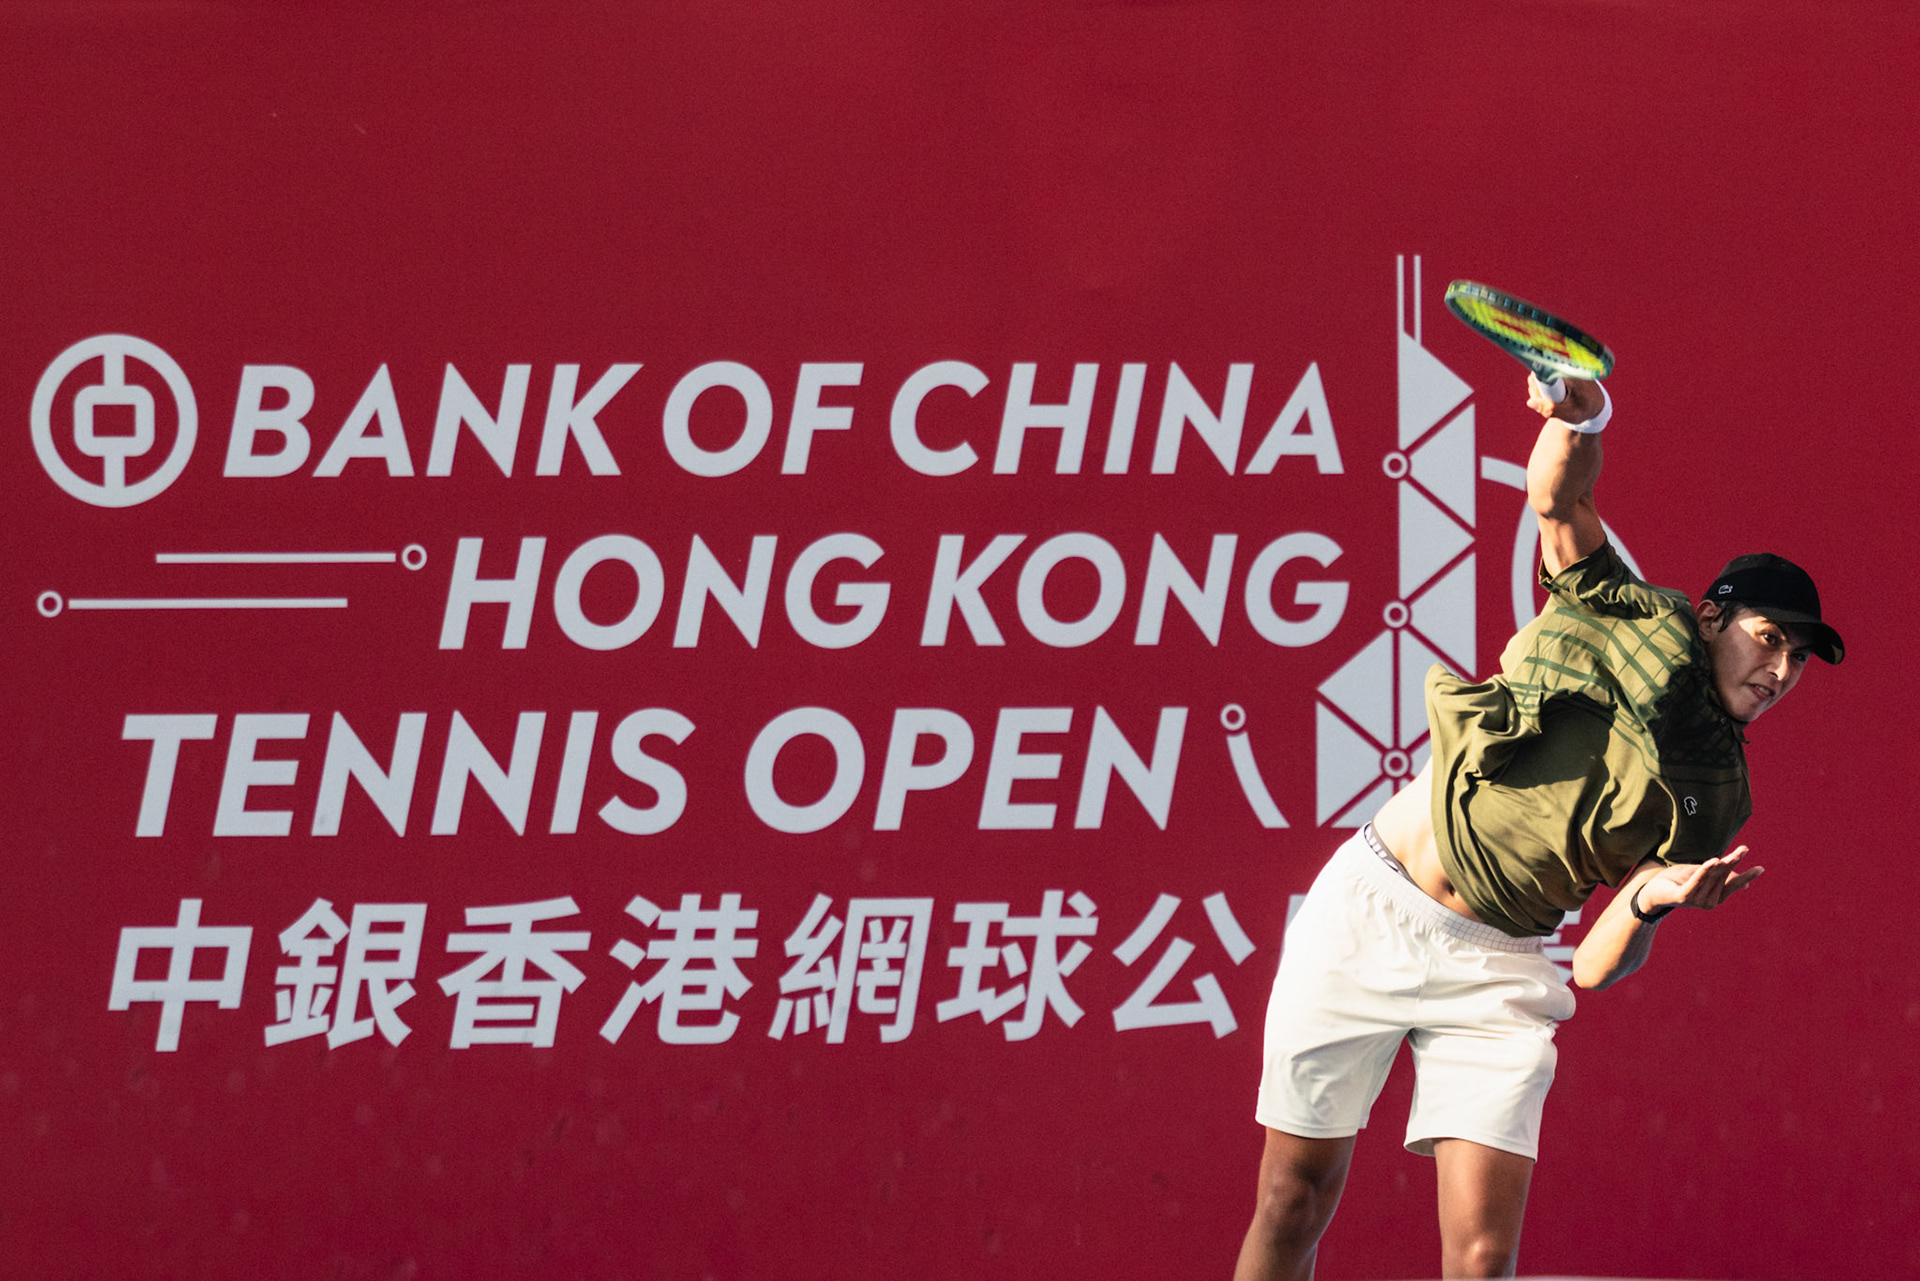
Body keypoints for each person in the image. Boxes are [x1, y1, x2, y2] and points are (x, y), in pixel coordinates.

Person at [1231, 372, 1845, 1281]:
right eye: (1768, 637)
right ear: (1712, 614)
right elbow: (1560, 494)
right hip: (1370, 909)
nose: (1781, 668)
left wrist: (1653, 900)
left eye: (1799, 657)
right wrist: (1582, 414)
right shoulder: (1621, 610)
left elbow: (1594, 966)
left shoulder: (1717, 797)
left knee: (1483, 1257)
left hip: (1497, 971)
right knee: (1293, 1200)